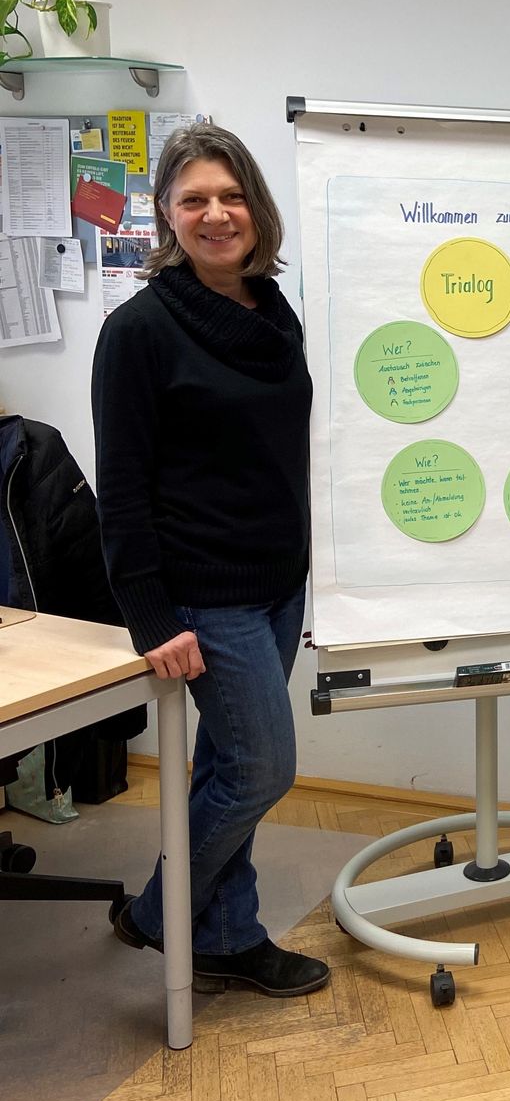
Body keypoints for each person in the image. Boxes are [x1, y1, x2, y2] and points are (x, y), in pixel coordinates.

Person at [91, 122, 326, 997]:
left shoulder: (273, 313)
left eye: (232, 197)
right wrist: (150, 616)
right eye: (195, 199)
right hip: (203, 593)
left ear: (257, 210)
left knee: (231, 767)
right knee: (265, 768)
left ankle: (228, 933)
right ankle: (159, 913)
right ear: (166, 214)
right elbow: (121, 486)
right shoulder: (139, 331)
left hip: (276, 585)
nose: (216, 214)